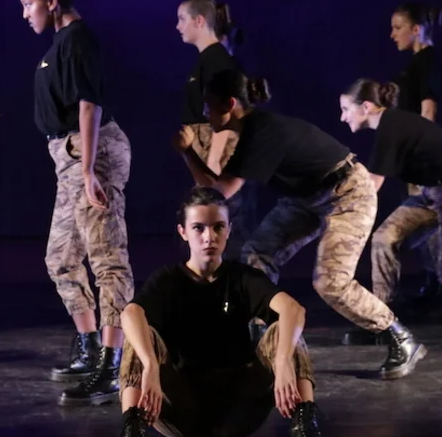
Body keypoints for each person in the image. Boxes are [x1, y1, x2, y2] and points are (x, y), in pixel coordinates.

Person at [173, 69, 422, 379]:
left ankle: (398, 335)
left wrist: (187, 151)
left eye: (209, 105)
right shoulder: (250, 132)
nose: (205, 112)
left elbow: (218, 192)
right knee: (257, 253)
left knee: (331, 281)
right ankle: (261, 337)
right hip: (307, 198)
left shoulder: (262, 131)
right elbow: (216, 187)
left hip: (348, 193)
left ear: (230, 104)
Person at [117, 187, 336, 437]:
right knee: (138, 335)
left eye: (218, 227)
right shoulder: (168, 280)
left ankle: (305, 430)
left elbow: (293, 309)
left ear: (229, 230)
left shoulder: (241, 277)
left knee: (285, 331)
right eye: (199, 228)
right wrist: (151, 366)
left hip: (238, 412)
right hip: (182, 413)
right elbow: (130, 314)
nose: (209, 237)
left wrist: (283, 360)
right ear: (183, 232)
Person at [20, 0, 134, 404]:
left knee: (107, 258)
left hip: (91, 153)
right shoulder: (60, 43)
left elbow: (90, 106)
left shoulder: (79, 39)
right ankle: (90, 349)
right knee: (61, 258)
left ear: (51, 2)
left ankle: (113, 363)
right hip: (68, 158)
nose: (25, 13)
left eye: (29, 4)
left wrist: (88, 170)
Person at [339, 79, 442, 314]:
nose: (343, 117)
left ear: (366, 107)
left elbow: (371, 186)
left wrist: (337, 212)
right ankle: (382, 318)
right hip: (432, 194)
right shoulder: (390, 125)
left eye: (346, 109)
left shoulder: (391, 125)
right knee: (384, 239)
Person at [175, 0, 252, 259]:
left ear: (199, 21)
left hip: (216, 159)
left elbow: (228, 117)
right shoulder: (207, 60)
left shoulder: (218, 61)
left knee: (227, 223)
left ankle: (240, 281)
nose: (178, 26)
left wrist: (214, 164)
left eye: (182, 19)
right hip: (204, 155)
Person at [388, 3, 442, 319]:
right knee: (422, 222)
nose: (392, 34)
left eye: (398, 27)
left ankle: (441, 290)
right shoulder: (414, 63)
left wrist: (422, 153)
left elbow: (428, 111)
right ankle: (433, 285)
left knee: (427, 221)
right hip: (410, 157)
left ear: (416, 29)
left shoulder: (427, 61)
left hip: (420, 158)